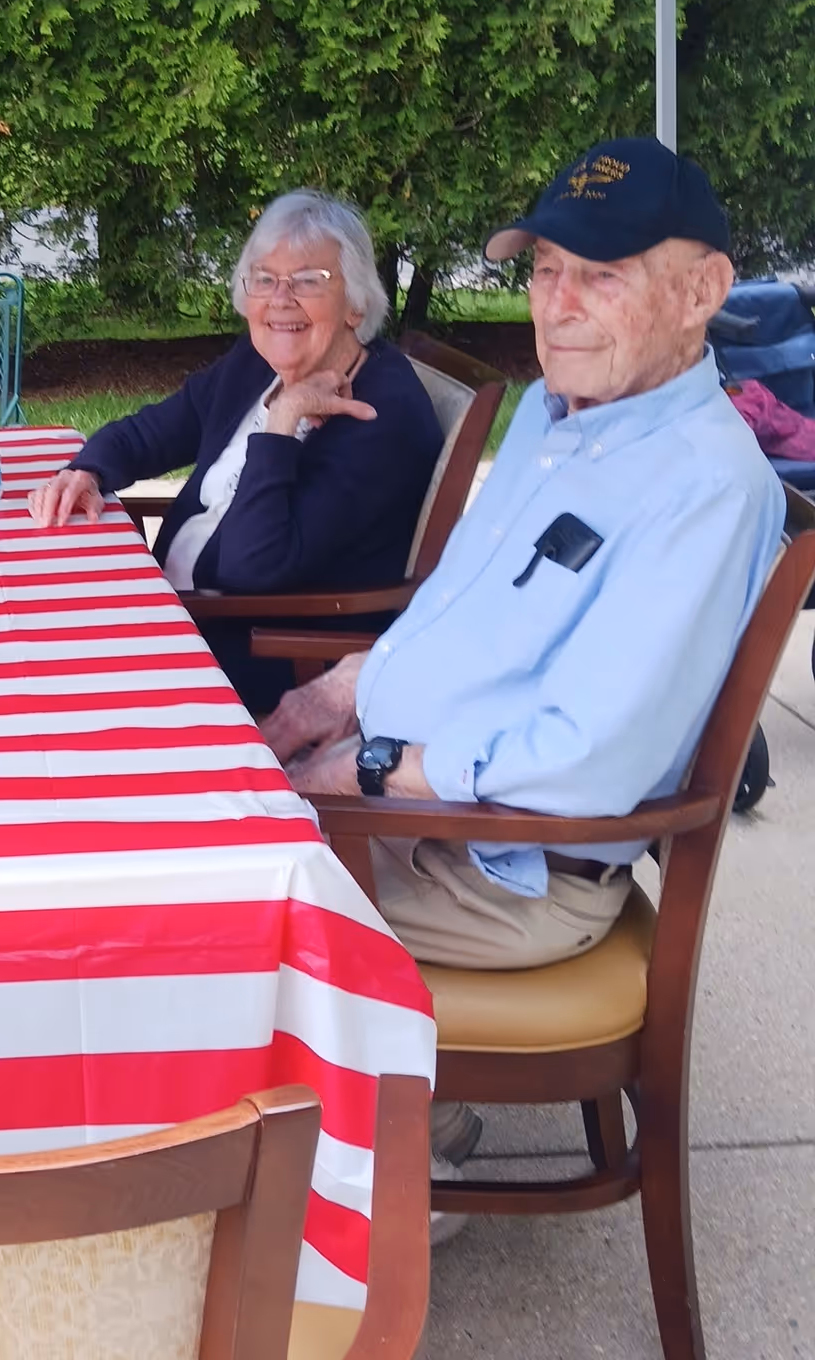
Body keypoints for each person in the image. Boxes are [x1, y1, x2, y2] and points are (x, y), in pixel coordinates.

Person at [265, 140, 782, 1183]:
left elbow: (584, 761)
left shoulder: (703, 488)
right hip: (426, 814)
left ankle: (383, 1189)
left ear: (702, 293)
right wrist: (328, 697)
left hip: (505, 868)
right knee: (188, 830)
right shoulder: (563, 420)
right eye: (546, 269)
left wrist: (357, 774)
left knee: (204, 912)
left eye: (603, 275)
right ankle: (407, 1127)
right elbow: (456, 620)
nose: (559, 304)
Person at [30, 190, 442, 708]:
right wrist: (89, 470)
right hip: (175, 612)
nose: (280, 299)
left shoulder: (378, 415)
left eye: (309, 281)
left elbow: (254, 568)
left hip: (244, 655)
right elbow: (155, 430)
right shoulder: (256, 362)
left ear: (356, 304)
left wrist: (281, 424)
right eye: (265, 279)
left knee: (30, 679)